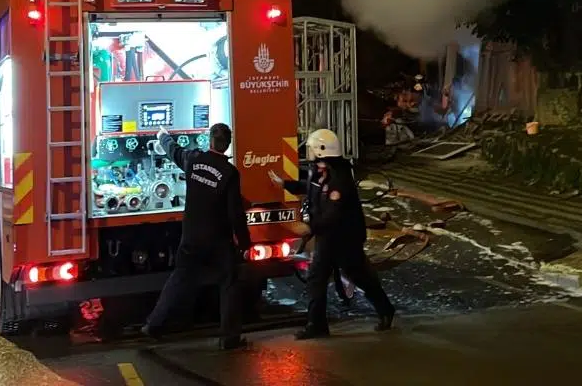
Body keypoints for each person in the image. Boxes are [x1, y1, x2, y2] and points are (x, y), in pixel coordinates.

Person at [268, 129, 394, 340]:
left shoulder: (340, 179)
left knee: (359, 276)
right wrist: (286, 185)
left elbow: (334, 214)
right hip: (329, 236)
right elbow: (310, 187)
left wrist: (310, 227)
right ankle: (317, 325)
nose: (309, 152)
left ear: (321, 150)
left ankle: (385, 310)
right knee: (316, 278)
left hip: (344, 238)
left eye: (311, 148)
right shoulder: (321, 171)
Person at [141, 124, 250, 351]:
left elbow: (174, 151)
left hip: (191, 236)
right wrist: (245, 242)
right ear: (228, 144)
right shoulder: (230, 173)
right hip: (218, 240)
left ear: (209, 140)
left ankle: (153, 325)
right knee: (229, 283)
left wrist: (163, 136)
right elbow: (235, 213)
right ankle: (229, 339)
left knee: (180, 278)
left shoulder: (194, 160)